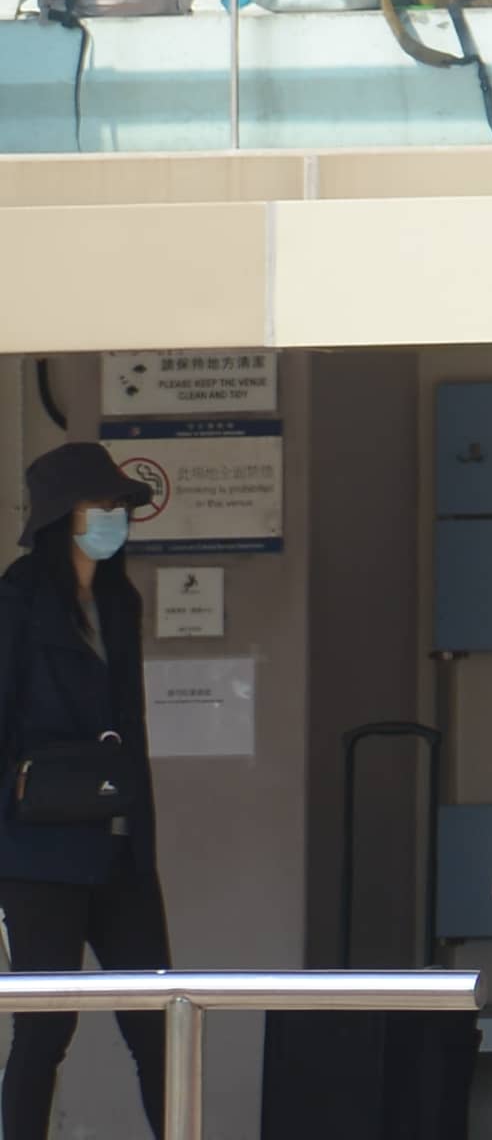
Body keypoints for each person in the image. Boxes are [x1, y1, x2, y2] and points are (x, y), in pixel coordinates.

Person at [0, 445, 161, 1140]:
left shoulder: (121, 602)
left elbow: (131, 727)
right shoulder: (16, 600)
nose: (114, 517)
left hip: (120, 845)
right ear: (61, 515)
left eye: (121, 506)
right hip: (38, 851)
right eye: (101, 504)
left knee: (158, 1020)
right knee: (45, 1030)